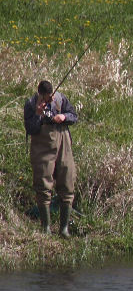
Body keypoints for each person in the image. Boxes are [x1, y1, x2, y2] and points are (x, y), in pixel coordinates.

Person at [24, 80, 78, 237]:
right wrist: (38, 115)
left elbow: (74, 116)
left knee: (67, 182)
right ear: (40, 94)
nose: (50, 100)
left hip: (63, 145)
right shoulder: (30, 104)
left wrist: (63, 116)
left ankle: (64, 229)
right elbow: (30, 129)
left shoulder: (61, 99)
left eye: (51, 96)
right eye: (47, 98)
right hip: (42, 148)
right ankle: (46, 227)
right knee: (42, 184)